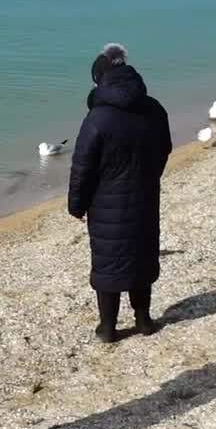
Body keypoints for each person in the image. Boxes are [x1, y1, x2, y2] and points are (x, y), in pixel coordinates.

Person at [67, 43, 173, 342]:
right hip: (145, 196)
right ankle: (144, 321)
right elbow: (164, 149)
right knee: (141, 255)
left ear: (98, 81)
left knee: (109, 263)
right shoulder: (154, 109)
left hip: (105, 203)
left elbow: (82, 167)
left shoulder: (97, 118)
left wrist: (77, 205)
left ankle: (108, 328)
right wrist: (149, 178)